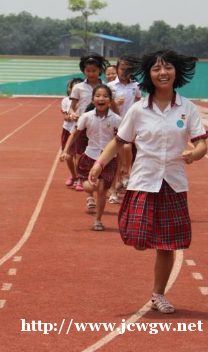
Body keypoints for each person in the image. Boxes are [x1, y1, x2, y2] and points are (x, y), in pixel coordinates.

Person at [89, 50, 207, 313]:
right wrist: (99, 164)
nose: (162, 73)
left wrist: (194, 154)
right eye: (156, 69)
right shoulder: (138, 109)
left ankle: (158, 294)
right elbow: (119, 141)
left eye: (167, 68)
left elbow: (201, 144)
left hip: (173, 182)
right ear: (149, 75)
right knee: (139, 239)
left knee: (167, 245)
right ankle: (145, 240)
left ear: (176, 72)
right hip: (144, 179)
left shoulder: (187, 108)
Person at [61, 85, 122, 230]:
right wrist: (65, 151)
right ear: (93, 99)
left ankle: (98, 220)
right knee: (91, 186)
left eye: (105, 96)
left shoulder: (117, 119)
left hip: (108, 159)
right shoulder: (86, 117)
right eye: (98, 96)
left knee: (102, 189)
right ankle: (88, 192)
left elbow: (122, 141)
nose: (101, 99)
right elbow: (75, 134)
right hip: (89, 157)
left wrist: (124, 163)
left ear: (110, 100)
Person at [68, 53, 113, 204]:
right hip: (84, 126)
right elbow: (71, 108)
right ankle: (89, 194)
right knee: (81, 157)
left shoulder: (106, 87)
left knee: (101, 158)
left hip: (102, 127)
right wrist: (73, 114)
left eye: (94, 70)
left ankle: (100, 187)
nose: (91, 73)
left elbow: (112, 107)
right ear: (83, 71)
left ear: (100, 70)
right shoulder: (78, 88)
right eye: (88, 71)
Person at [107, 56, 142, 203]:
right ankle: (114, 190)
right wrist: (114, 104)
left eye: (128, 69)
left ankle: (125, 176)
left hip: (131, 124)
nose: (125, 72)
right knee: (117, 156)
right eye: (122, 68)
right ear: (117, 69)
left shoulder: (136, 85)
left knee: (128, 153)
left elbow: (139, 102)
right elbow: (102, 103)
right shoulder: (111, 86)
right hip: (115, 123)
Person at [61, 78, 83, 186]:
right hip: (68, 130)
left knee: (78, 156)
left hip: (79, 130)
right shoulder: (66, 101)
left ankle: (80, 179)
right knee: (69, 157)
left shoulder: (86, 100)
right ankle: (73, 175)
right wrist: (72, 116)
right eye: (72, 87)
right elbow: (65, 116)